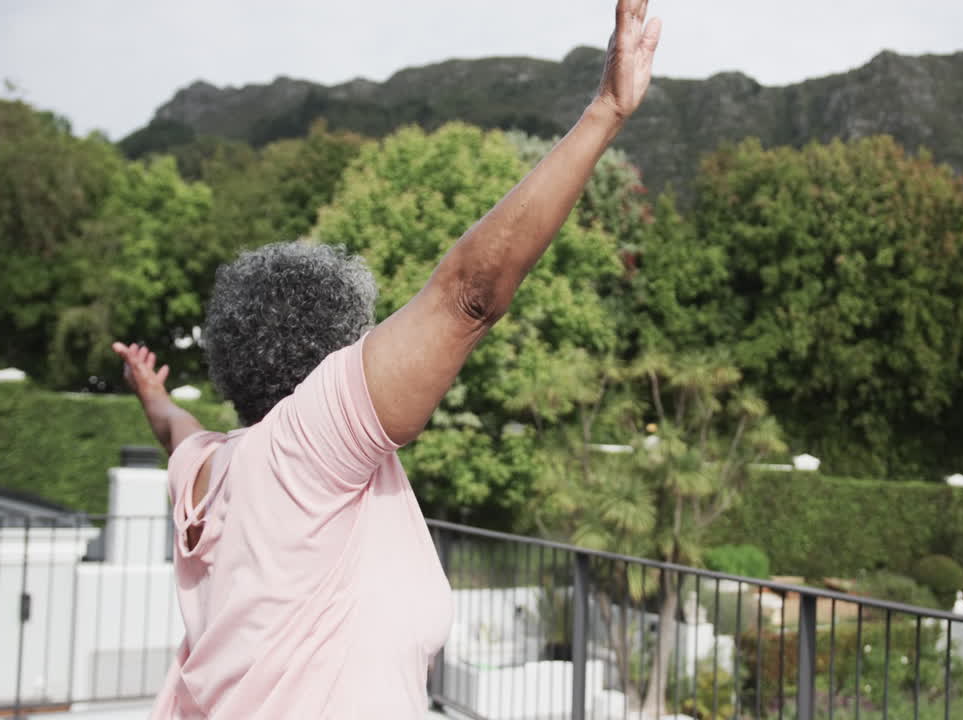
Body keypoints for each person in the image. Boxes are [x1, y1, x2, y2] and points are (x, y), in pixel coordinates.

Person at [112, 2, 662, 717]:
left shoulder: (209, 469)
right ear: (333, 359)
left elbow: (175, 430)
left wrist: (151, 393)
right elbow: (466, 296)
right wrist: (605, 112)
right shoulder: (307, 450)